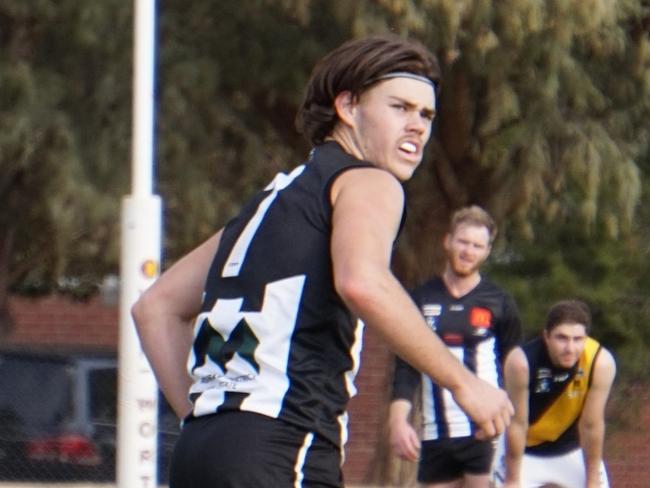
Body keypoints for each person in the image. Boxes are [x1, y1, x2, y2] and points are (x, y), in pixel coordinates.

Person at [132, 34, 514, 488]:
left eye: (426, 114)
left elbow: (154, 308)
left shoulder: (269, 201)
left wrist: (203, 420)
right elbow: (363, 282)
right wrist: (463, 383)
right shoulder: (369, 182)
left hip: (202, 453)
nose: (418, 126)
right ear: (348, 107)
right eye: (400, 107)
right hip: (282, 444)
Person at [388, 205, 523, 488]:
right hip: (435, 433)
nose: (468, 251)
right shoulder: (421, 298)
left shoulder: (498, 301)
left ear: (486, 252)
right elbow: (407, 365)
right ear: (447, 241)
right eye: (463, 242)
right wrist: (398, 421)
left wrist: (516, 428)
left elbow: (515, 368)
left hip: (484, 430)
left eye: (477, 246)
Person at [493, 299, 616, 488]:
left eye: (578, 339)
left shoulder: (600, 362)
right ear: (546, 336)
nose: (570, 348)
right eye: (562, 338)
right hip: (524, 451)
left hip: (572, 449)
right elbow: (517, 424)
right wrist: (512, 479)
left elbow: (591, 425)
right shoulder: (521, 362)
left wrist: (593, 482)